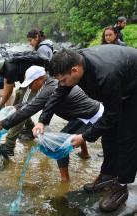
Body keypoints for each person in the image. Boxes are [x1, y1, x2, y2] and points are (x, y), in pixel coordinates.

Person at [33, 45, 137, 212]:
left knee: (127, 136)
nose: (61, 84)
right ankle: (108, 175)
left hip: (133, 89)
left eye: (63, 79)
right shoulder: (76, 63)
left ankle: (122, 185)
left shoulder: (106, 75)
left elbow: (111, 115)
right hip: (119, 85)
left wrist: (85, 136)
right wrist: (42, 120)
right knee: (109, 133)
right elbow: (59, 91)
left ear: (74, 71)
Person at [0, 66, 103, 182]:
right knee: (71, 132)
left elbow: (30, 109)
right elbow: (32, 103)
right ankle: (84, 154)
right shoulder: (51, 84)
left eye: (31, 84)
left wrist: (3, 124)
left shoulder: (50, 88)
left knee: (60, 143)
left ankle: (65, 179)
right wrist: (15, 107)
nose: (29, 87)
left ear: (40, 79)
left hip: (91, 116)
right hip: (81, 115)